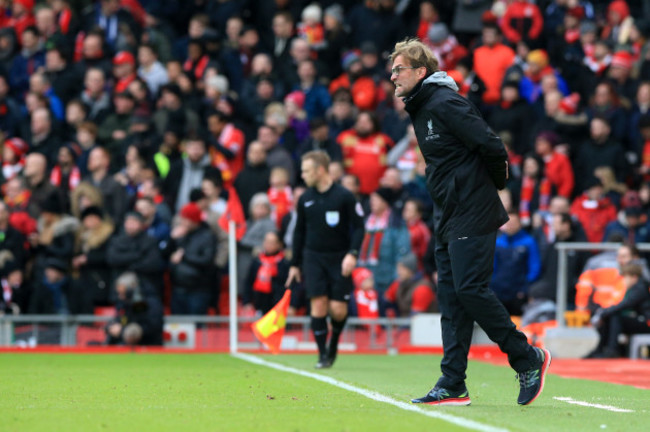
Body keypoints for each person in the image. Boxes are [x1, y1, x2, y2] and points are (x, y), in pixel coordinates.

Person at [390, 38, 550, 406]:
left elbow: (493, 146)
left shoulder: (444, 102)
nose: (393, 76)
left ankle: (527, 357)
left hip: (470, 208)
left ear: (420, 72)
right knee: (451, 297)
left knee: (469, 290)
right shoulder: (422, 104)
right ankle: (452, 383)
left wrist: (488, 188)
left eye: (399, 69)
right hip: (448, 210)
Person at [286, 150, 364, 369]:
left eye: (306, 170)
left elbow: (359, 228)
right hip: (313, 258)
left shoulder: (344, 196)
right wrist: (295, 264)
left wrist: (353, 253)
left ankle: (334, 344)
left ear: (320, 170)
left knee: (338, 310)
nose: (303, 175)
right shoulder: (305, 199)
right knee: (318, 305)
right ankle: (323, 355)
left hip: (340, 258)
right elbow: (299, 232)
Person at [589, 263, 650, 358]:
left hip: (647, 322)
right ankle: (599, 349)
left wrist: (603, 313)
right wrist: (604, 313)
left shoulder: (640, 288)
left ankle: (612, 350)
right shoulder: (636, 287)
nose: (624, 281)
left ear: (634, 277)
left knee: (615, 317)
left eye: (625, 277)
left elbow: (624, 305)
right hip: (641, 320)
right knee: (610, 316)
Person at [105, 272, 163, 346]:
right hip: (125, 343)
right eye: (119, 293)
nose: (120, 297)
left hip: (148, 346)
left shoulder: (151, 302)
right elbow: (121, 319)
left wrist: (123, 331)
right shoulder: (124, 302)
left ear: (131, 289)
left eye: (122, 293)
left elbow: (152, 327)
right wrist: (112, 326)